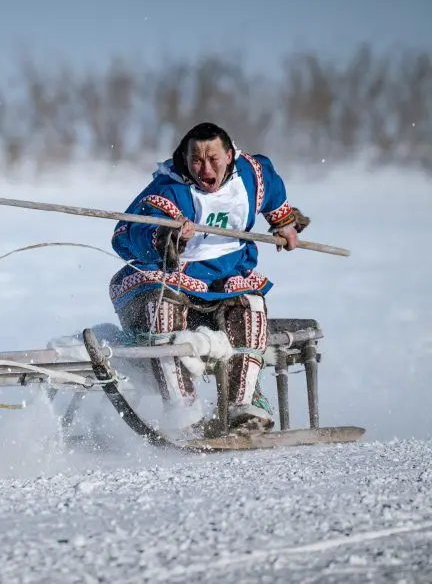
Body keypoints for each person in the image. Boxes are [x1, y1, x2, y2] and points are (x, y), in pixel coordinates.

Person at [109, 122, 310, 435]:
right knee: (163, 304)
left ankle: (240, 407)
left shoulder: (253, 176)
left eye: (213, 159)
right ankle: (183, 410)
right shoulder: (169, 190)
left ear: (229, 156)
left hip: (227, 277)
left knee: (252, 303)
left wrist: (283, 223)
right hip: (176, 279)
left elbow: (272, 190)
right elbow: (124, 236)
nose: (204, 169)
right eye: (196, 160)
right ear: (185, 160)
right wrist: (165, 238)